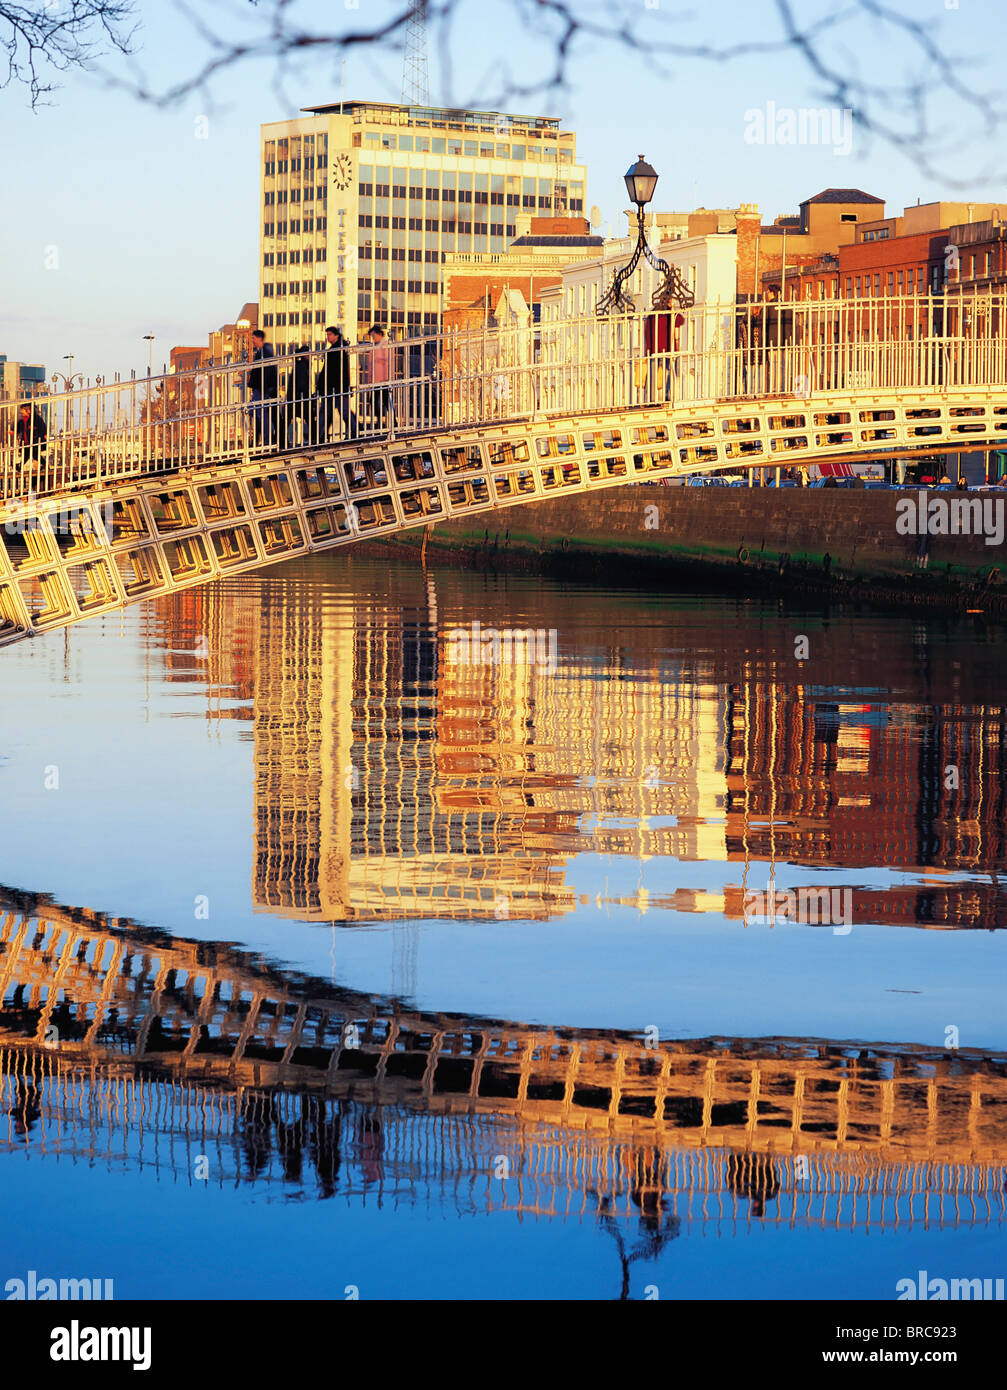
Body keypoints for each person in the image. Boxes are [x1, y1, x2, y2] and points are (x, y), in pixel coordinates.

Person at [316, 325, 353, 442]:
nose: (328, 337)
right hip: (333, 387)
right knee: (326, 413)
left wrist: (321, 386)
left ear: (336, 335)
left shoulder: (337, 350)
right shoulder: (336, 349)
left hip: (335, 387)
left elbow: (333, 371)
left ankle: (318, 435)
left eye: (330, 334)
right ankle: (319, 435)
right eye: (327, 334)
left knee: (341, 411)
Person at [246, 328, 278, 449]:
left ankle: (266, 438)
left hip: (262, 388)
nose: (252, 341)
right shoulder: (262, 352)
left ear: (259, 338)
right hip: (261, 388)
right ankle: (261, 438)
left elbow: (265, 372)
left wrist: (263, 387)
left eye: (253, 338)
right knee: (254, 411)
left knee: (259, 412)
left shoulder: (264, 352)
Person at [358, 323, 393, 433]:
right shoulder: (374, 346)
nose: (372, 338)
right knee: (376, 401)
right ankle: (381, 422)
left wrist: (388, 378)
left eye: (373, 335)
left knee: (385, 402)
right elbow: (371, 365)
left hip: (383, 380)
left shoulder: (386, 345)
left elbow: (389, 363)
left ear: (378, 334)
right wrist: (369, 380)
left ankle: (386, 423)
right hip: (375, 381)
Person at [282, 344, 313, 449]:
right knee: (310, 418)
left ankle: (281, 440)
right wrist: (309, 397)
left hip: (293, 398)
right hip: (299, 399)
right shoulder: (303, 366)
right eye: (309, 354)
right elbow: (302, 384)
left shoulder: (299, 365)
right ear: (306, 355)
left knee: (286, 419)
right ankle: (316, 438)